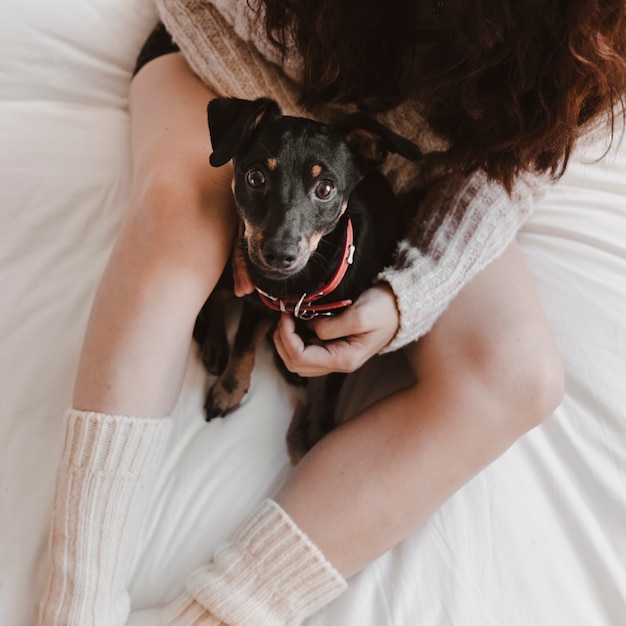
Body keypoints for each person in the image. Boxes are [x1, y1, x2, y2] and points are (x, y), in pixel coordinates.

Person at [37, 1, 626, 624]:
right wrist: (290, 157)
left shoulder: (598, 30)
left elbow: (526, 159)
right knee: (180, 223)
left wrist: (412, 292)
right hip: (238, 72)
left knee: (519, 375)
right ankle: (77, 603)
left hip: (413, 172)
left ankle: (210, 618)